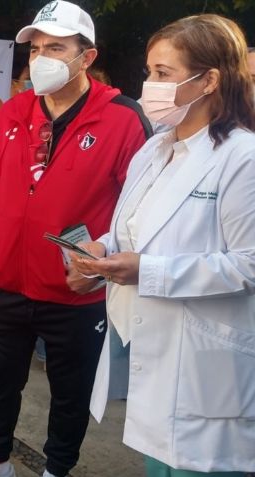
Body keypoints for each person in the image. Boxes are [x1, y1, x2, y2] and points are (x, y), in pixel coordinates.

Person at [0, 2, 152, 477]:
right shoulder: (14, 111)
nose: (41, 58)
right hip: (7, 284)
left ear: (87, 57)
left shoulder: (123, 119)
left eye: (56, 48)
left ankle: (57, 470)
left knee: (70, 395)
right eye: (36, 48)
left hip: (76, 293)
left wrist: (100, 260)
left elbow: (142, 207)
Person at [73, 14, 255, 477]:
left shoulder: (243, 157)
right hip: (153, 352)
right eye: (149, 71)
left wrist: (147, 271)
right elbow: (136, 229)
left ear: (209, 80)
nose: (149, 85)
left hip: (206, 367)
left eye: (163, 73)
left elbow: (249, 263)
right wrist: (102, 250)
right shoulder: (155, 150)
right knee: (160, 462)